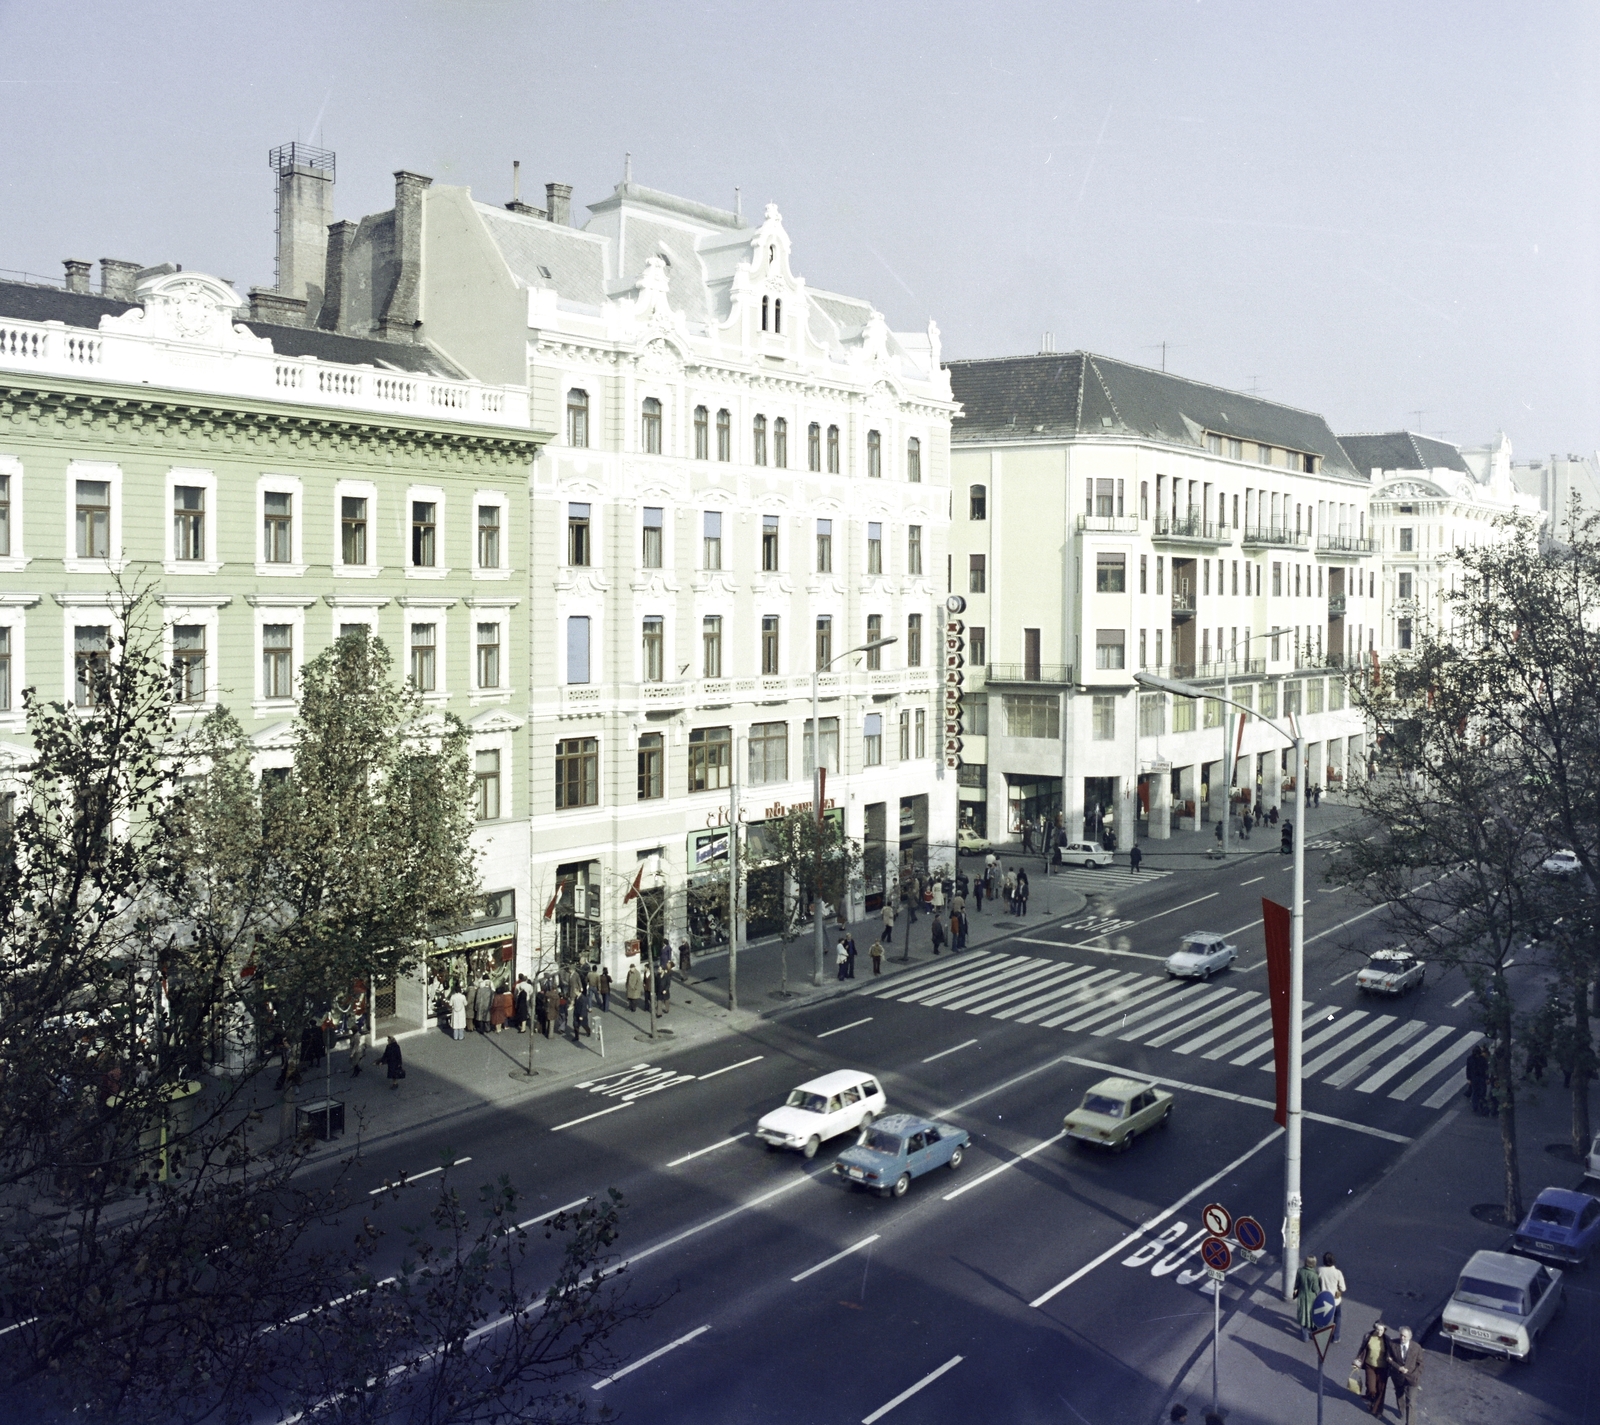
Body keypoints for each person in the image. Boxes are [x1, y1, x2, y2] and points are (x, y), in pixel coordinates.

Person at [1388, 1325, 1422, 1425]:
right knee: (1399, 1395)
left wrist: (1415, 1374)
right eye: (1401, 1335)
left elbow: (1420, 1364)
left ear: (1410, 1337)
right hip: (1398, 1377)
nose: (1402, 1338)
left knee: (1411, 1402)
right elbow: (1388, 1358)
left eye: (1405, 1336)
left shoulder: (1416, 1347)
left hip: (1412, 1378)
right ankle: (1402, 1411)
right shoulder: (1393, 1344)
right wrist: (1398, 1367)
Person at [1355, 1320, 1388, 1417]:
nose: (1379, 1332)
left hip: (1382, 1368)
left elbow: (1391, 1353)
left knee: (1380, 1390)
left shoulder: (1387, 1340)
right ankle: (1371, 1399)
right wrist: (1357, 1360)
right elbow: (1362, 1349)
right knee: (1371, 1388)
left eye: (1382, 1330)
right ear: (1375, 1328)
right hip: (1370, 1365)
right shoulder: (1368, 1336)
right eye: (1378, 1330)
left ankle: (1377, 1410)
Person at [1319, 1252, 1347, 1342]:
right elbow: (1343, 1288)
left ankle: (1321, 1335)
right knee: (1337, 1316)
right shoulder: (1337, 1273)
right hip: (1335, 1300)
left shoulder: (1319, 1270)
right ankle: (1336, 1336)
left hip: (1323, 1299)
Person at [1294, 1254, 1321, 1340]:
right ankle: (1314, 1333)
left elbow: (1297, 1284)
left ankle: (1305, 1336)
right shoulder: (1314, 1275)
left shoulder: (1300, 1271)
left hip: (1302, 1295)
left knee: (1303, 1315)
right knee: (1312, 1315)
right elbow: (1315, 1288)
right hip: (1311, 1297)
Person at [1466, 1042, 1489, 1113]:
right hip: (1481, 1078)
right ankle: (1482, 1107)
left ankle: (1475, 1107)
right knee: (1482, 1093)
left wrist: (1469, 1078)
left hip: (1474, 1078)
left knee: (1475, 1093)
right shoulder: (1483, 1059)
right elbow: (1486, 1069)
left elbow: (1468, 1069)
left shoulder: (1470, 1059)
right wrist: (1487, 1078)